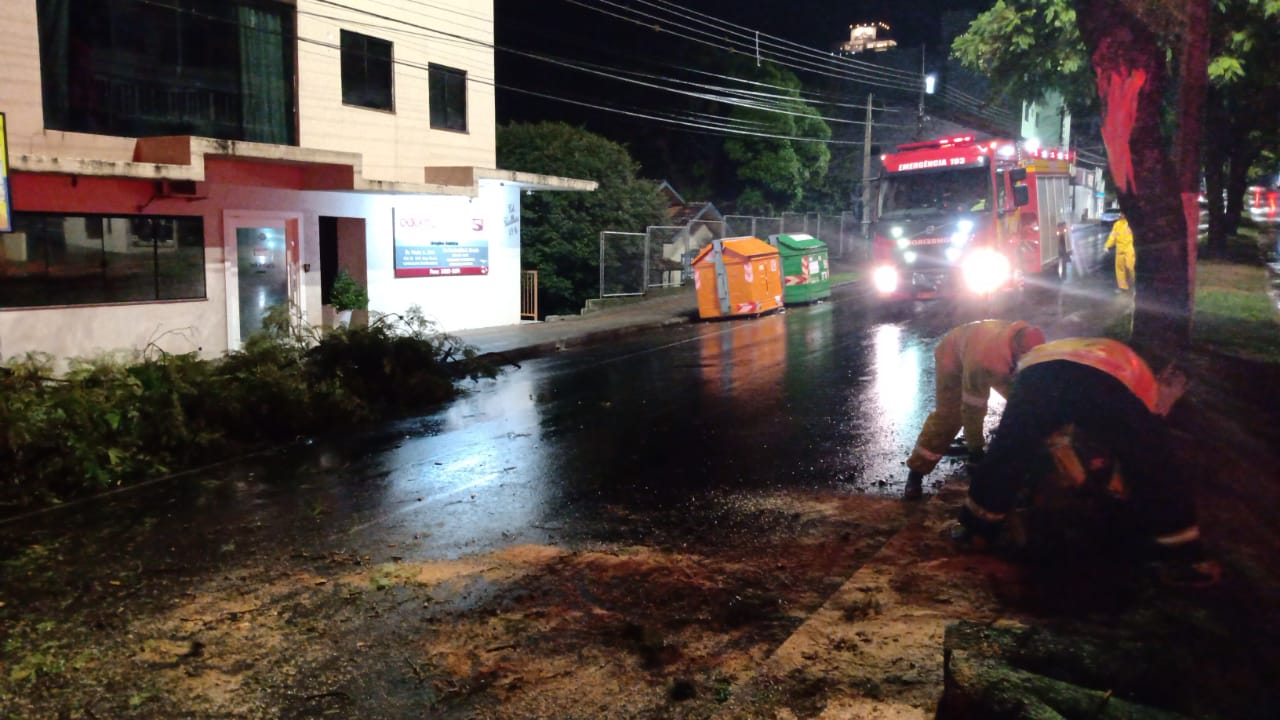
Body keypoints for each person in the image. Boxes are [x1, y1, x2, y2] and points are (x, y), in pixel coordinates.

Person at [953, 337, 1220, 588]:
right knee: (1155, 463)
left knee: (1010, 448)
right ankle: (1181, 556)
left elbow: (1057, 432)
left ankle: (976, 530)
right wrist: (1112, 486)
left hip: (1035, 372)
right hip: (1101, 381)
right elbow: (1139, 447)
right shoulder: (1143, 383)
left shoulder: (1093, 350)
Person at [903, 320, 1047, 500]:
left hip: (995, 356)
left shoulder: (1023, 345)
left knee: (1023, 405)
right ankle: (916, 473)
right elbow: (972, 409)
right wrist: (976, 451)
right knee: (949, 418)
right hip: (952, 357)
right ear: (1017, 348)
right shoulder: (983, 361)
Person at [1104, 213, 1135, 292]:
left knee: (1130, 267)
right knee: (1120, 269)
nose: (1121, 214)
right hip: (1119, 250)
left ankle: (1134, 283)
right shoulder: (1117, 224)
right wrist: (1107, 245)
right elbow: (1112, 236)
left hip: (1129, 248)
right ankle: (1123, 287)